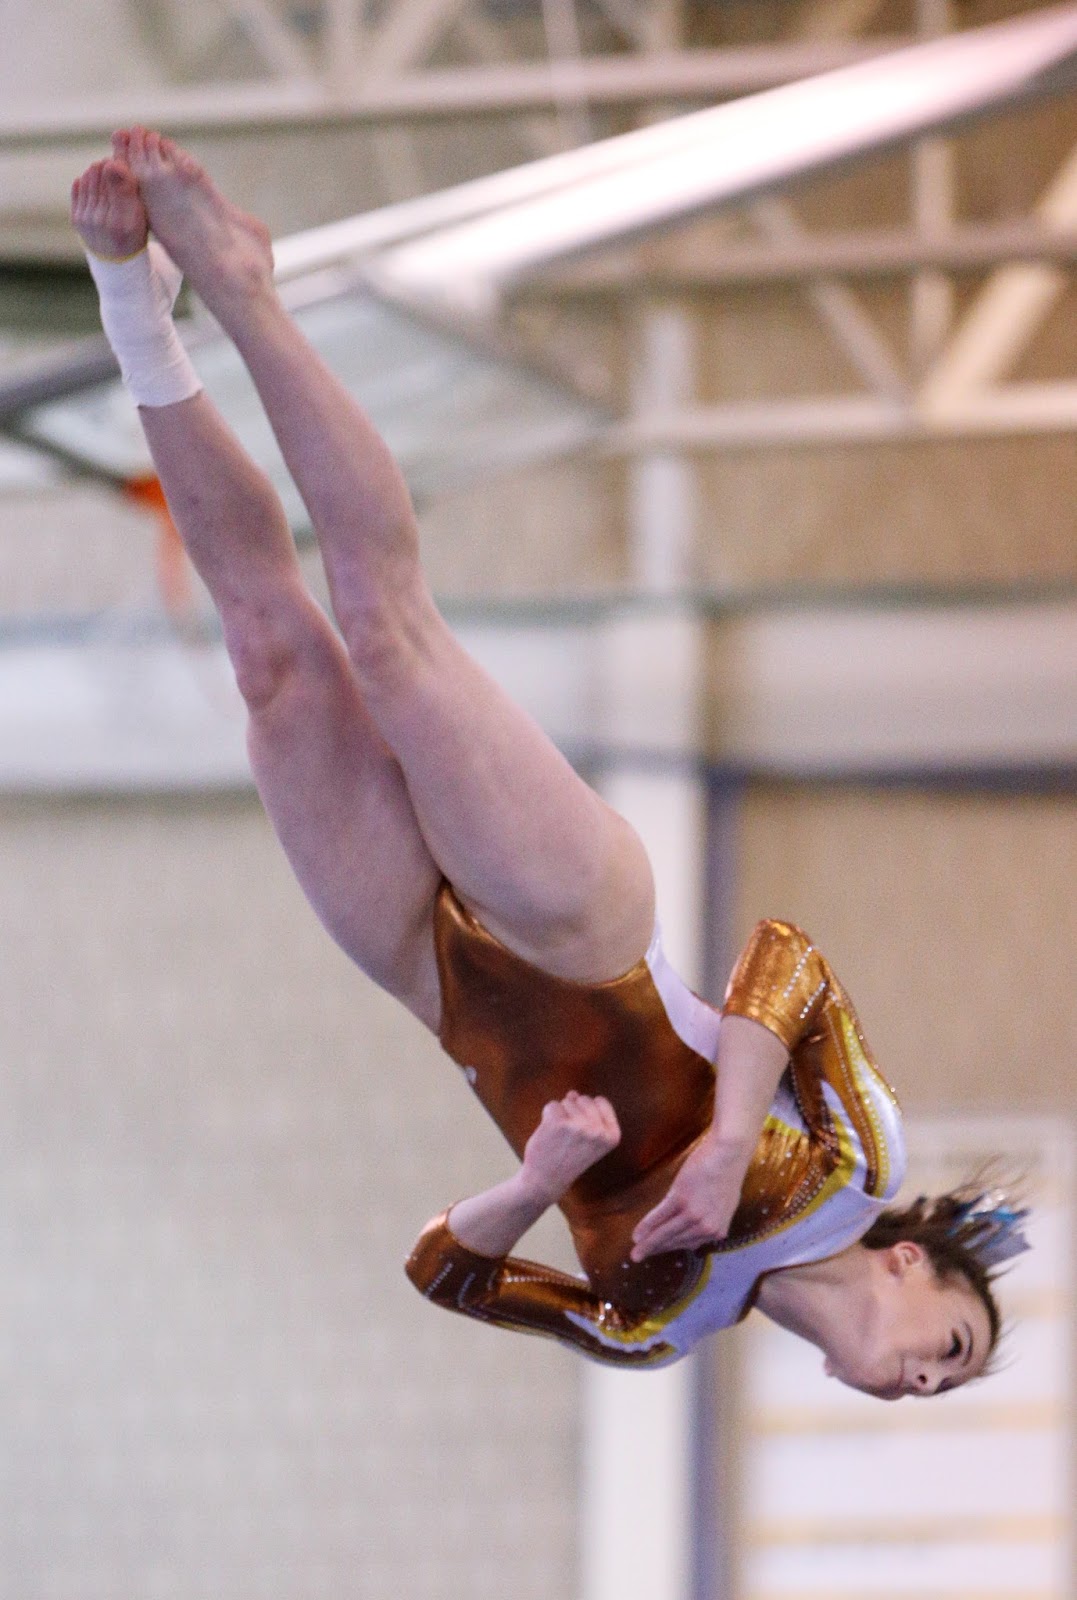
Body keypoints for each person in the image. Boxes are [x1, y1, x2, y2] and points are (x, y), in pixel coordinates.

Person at [71, 130, 1026, 1399]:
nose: (923, 1383)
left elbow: (444, 1272)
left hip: (437, 984)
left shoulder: (659, 1326)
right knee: (387, 634)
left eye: (934, 1394)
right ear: (911, 1266)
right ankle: (244, 284)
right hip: (584, 931)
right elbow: (784, 962)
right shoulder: (860, 1164)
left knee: (273, 661)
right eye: (949, 1351)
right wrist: (731, 1137)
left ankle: (133, 304)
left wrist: (540, 1182)